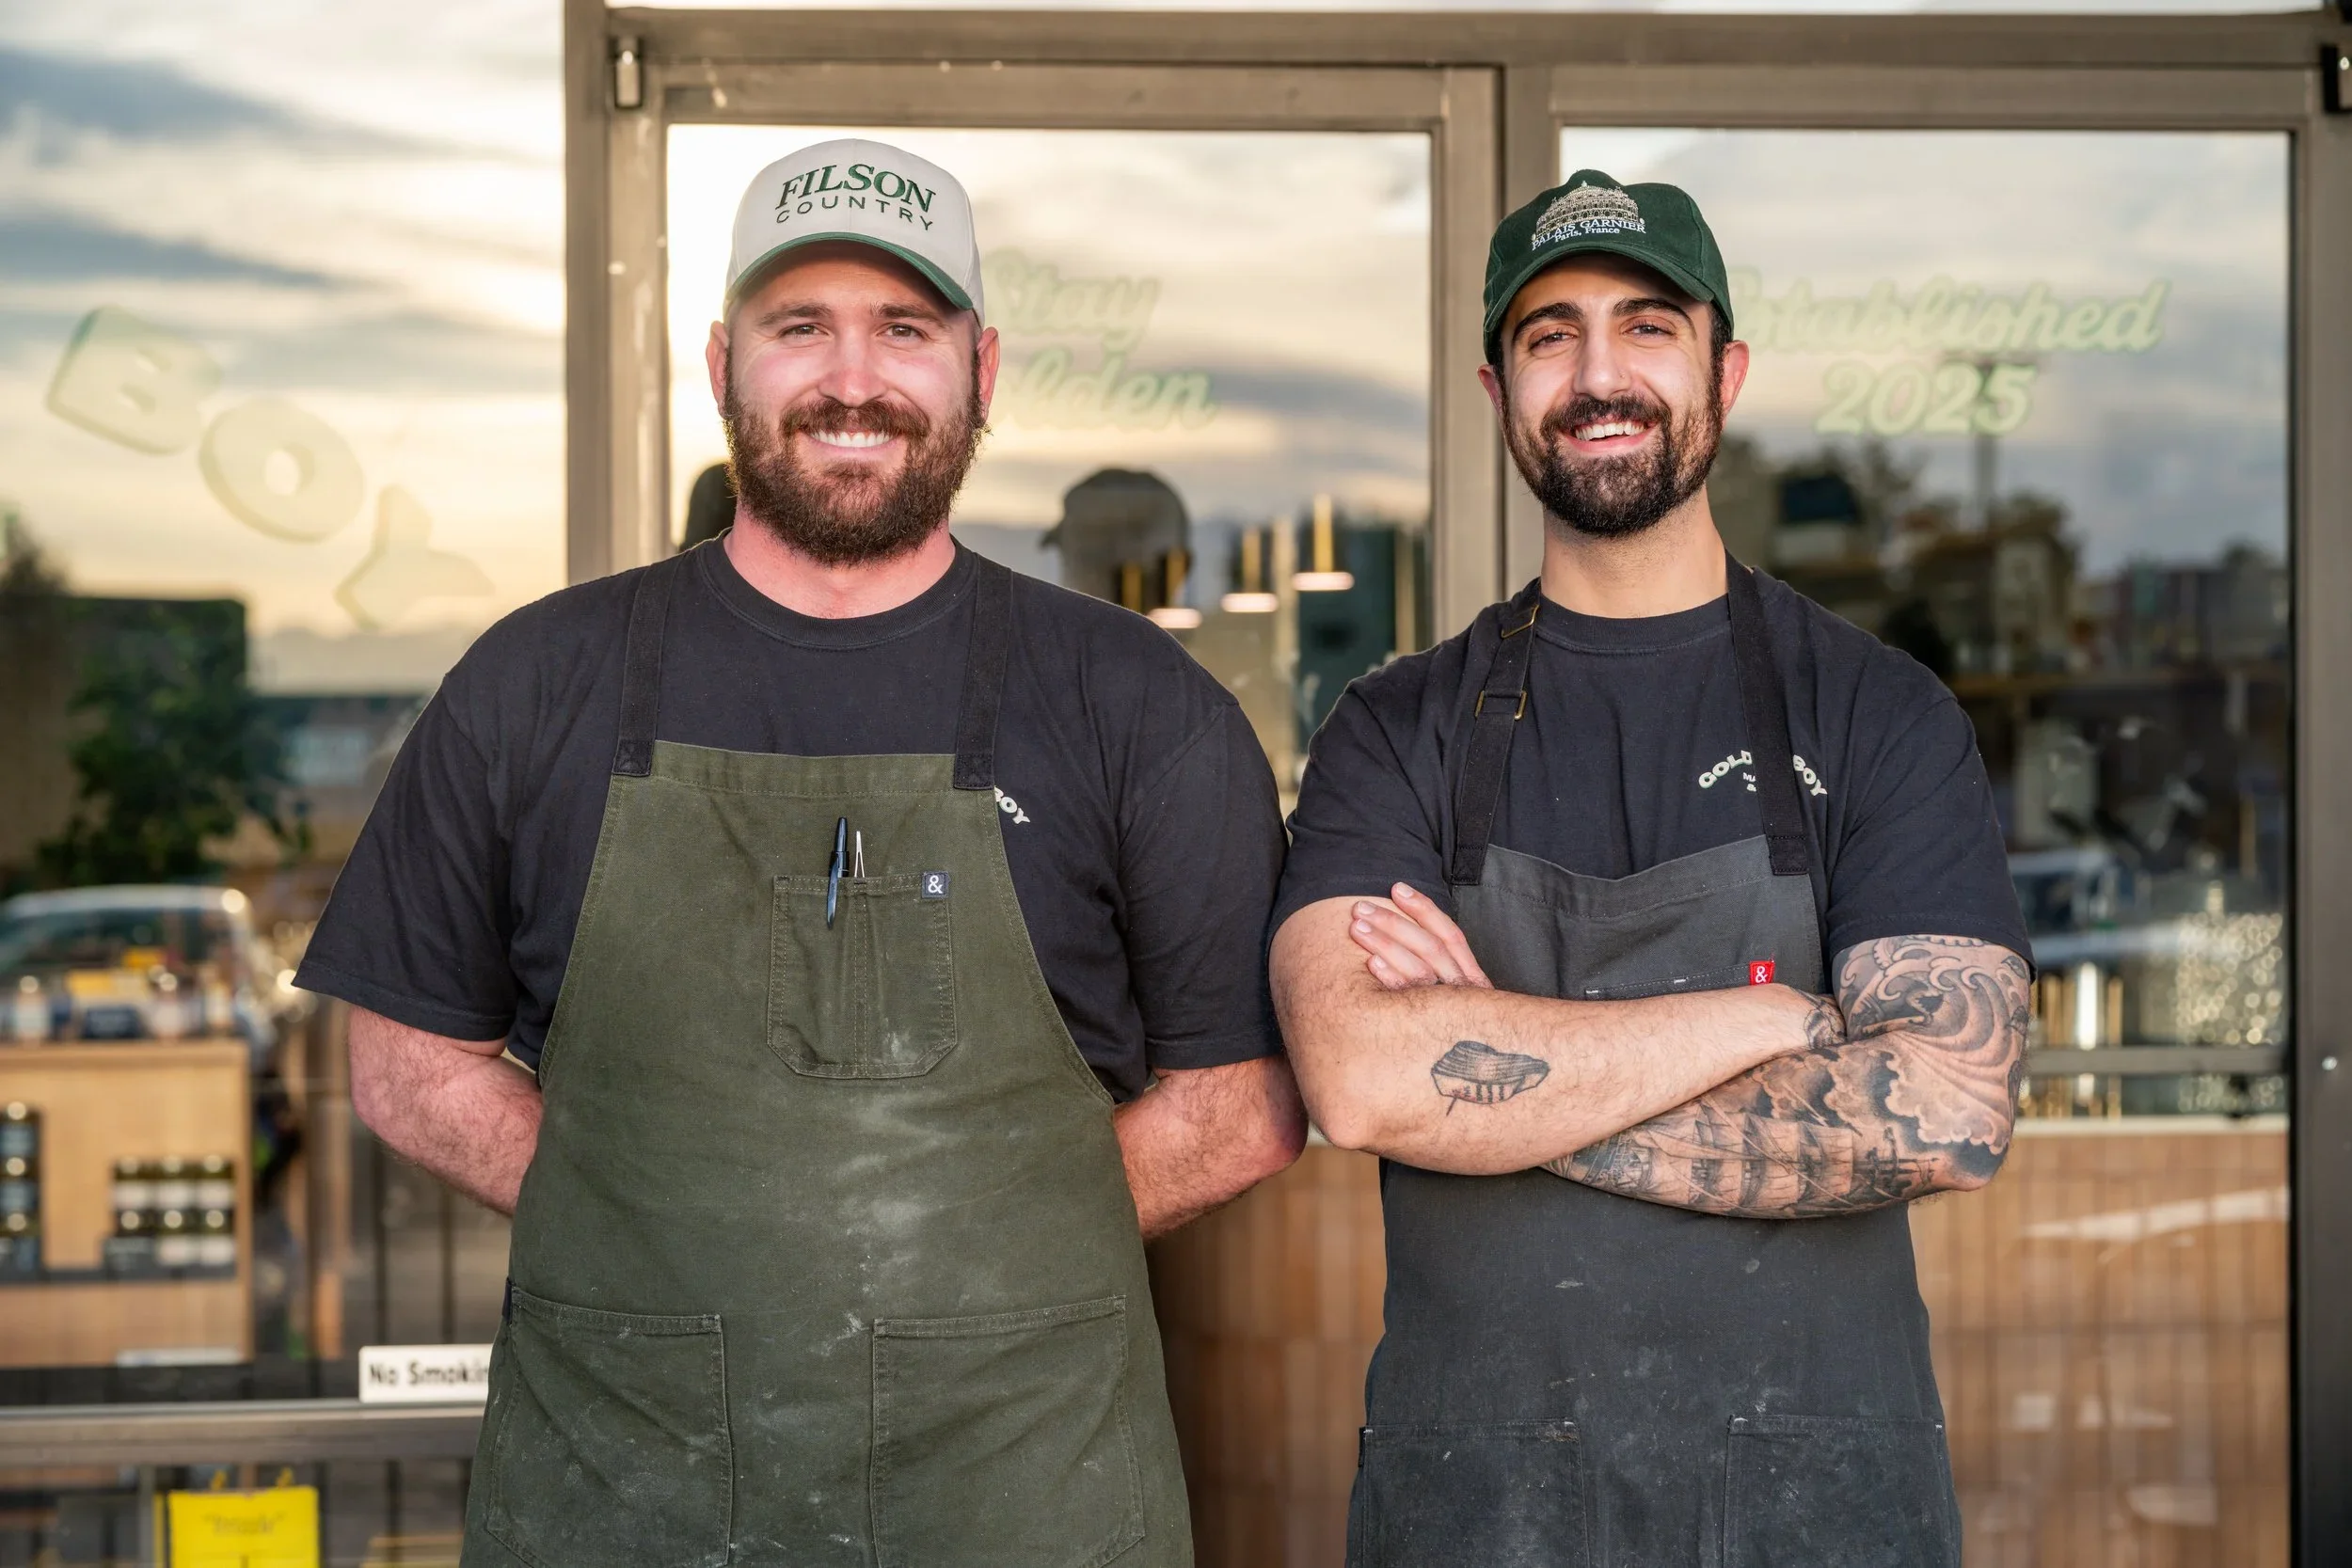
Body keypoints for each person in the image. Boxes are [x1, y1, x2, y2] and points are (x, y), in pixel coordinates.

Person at [297, 137, 1305, 1568]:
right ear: (723, 364)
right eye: (799, 329)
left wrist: (948, 1254)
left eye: (905, 329)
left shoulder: (1134, 703)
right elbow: (405, 1065)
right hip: (627, 1482)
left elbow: (1247, 1096)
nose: (853, 379)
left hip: (1024, 1480)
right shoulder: (535, 683)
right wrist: (675, 1229)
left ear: (982, 366)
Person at [1269, 170, 2032, 1567]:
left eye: (1648, 327)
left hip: (1816, 1503)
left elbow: (1946, 1108)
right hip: (1480, 1505)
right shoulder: (1397, 728)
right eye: (1551, 335)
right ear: (1497, 387)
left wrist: (1494, 1080)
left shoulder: (1875, 711)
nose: (1599, 373)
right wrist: (1769, 1021)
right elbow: (1363, 1080)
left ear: (1723, 373)